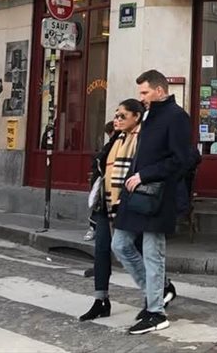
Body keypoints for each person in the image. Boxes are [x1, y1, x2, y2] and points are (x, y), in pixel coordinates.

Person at [111, 69, 192, 335]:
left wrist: (145, 175)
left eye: (145, 92)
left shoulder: (177, 117)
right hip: (136, 193)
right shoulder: (148, 115)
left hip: (158, 195)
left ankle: (156, 312)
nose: (141, 97)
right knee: (120, 244)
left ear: (159, 90)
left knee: (152, 253)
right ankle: (158, 292)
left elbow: (183, 159)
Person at [80, 100, 143, 321]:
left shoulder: (141, 139)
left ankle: (159, 290)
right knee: (101, 250)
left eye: (122, 116)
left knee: (137, 251)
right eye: (116, 115)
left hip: (129, 203)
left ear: (136, 117)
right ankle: (101, 300)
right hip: (106, 203)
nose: (117, 120)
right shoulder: (116, 139)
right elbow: (101, 167)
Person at [84, 120, 117, 242]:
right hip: (105, 180)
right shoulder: (111, 145)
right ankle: (94, 229)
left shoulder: (114, 144)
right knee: (100, 207)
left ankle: (93, 229)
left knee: (100, 207)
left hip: (108, 181)